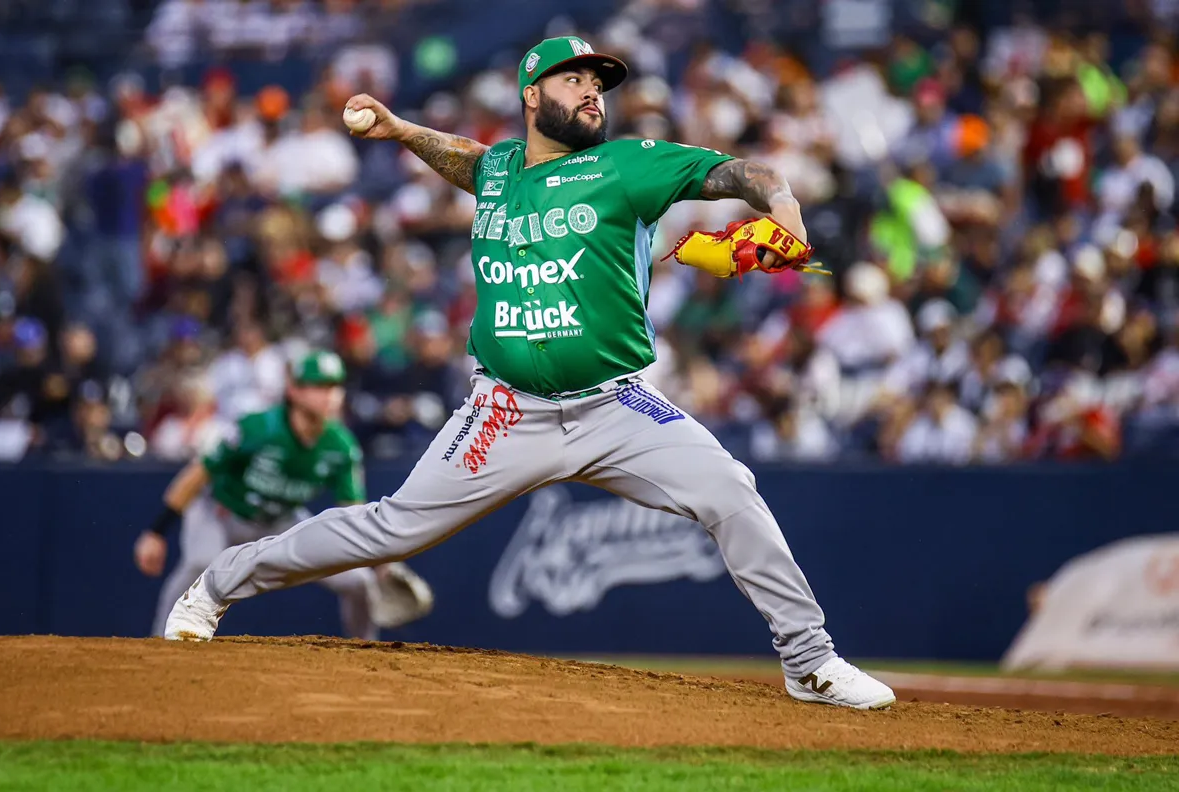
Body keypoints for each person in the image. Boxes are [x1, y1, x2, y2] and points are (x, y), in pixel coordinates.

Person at [165, 37, 895, 710]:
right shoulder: (499, 170)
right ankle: (218, 583)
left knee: (730, 489)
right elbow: (468, 159)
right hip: (505, 412)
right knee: (388, 531)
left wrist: (786, 207)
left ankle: (809, 661)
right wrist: (403, 131)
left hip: (618, 408)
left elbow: (744, 171)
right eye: (572, 79)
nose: (591, 93)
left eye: (597, 82)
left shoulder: (628, 164)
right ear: (530, 97)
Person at [137, 350, 434, 638]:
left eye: (334, 386)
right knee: (201, 562)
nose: (329, 394)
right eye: (318, 386)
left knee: (359, 582)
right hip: (222, 512)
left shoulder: (341, 446)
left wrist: (381, 565)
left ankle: (368, 650)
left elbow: (352, 511)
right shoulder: (258, 427)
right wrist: (156, 531)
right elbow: (197, 473)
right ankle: (161, 645)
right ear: (294, 391)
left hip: (280, 520)